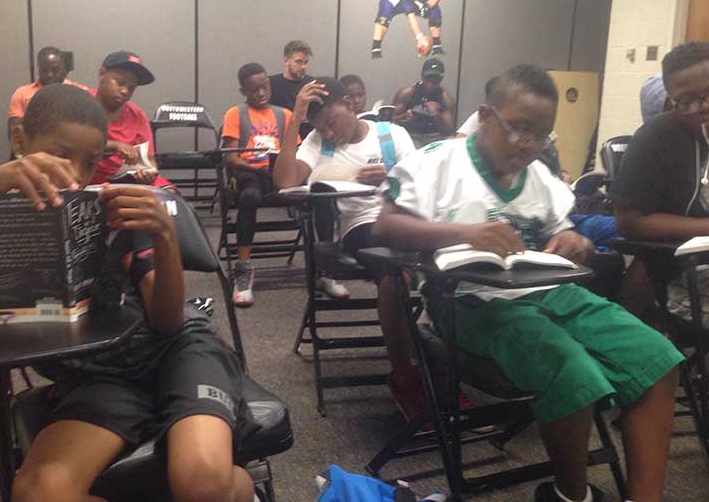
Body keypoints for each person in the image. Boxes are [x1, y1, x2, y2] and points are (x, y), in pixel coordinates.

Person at [375, 64, 681, 502]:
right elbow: (384, 228)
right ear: (485, 116)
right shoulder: (436, 163)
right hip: (468, 303)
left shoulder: (539, 178)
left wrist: (574, 241)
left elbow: (567, 231)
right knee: (572, 370)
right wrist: (463, 233)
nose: (528, 144)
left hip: (553, 293)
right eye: (518, 128)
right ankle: (571, 495)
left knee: (658, 360)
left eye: (540, 135)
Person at [0, 83, 255, 502]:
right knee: (39, 493)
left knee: (202, 483)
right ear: (20, 140)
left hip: (180, 352)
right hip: (97, 376)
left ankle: (244, 492)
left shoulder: (111, 203)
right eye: (59, 154)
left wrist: (164, 236)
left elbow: (166, 322)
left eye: (90, 162)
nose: (74, 174)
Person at [273, 79, 424, 400]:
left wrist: (391, 175)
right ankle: (405, 374)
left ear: (350, 104)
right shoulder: (316, 143)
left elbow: (424, 181)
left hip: (410, 219)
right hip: (362, 226)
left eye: (330, 123)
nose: (329, 133)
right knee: (395, 273)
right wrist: (296, 114)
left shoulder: (391, 135)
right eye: (321, 128)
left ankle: (438, 359)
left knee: (442, 267)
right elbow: (284, 180)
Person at [613, 41, 709, 325]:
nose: (704, 107)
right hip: (679, 268)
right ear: (671, 102)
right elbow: (629, 222)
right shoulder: (655, 138)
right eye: (688, 101)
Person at [221, 63, 298, 307]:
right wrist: (258, 169)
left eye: (265, 87)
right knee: (250, 196)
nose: (262, 93)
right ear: (243, 91)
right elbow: (231, 158)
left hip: (279, 173)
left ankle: (323, 270)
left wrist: (281, 169)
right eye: (254, 89)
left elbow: (297, 150)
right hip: (249, 174)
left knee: (314, 193)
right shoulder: (235, 114)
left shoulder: (284, 115)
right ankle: (243, 269)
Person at [88, 50, 169, 188]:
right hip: (86, 180)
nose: (125, 91)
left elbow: (149, 161)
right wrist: (115, 145)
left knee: (169, 196)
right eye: (120, 83)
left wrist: (147, 173)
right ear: (102, 74)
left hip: (125, 182)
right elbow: (71, 147)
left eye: (131, 88)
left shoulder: (137, 115)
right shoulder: (79, 104)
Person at [7, 46, 86, 137]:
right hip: (35, 147)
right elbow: (14, 132)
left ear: (63, 68)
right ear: (38, 68)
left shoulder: (79, 93)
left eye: (55, 70)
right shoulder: (22, 93)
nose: (49, 74)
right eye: (44, 70)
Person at [393, 58, 456, 146]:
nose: (430, 84)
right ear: (422, 76)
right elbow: (390, 122)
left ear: (441, 79)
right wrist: (405, 116)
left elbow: (448, 131)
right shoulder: (406, 93)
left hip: (435, 137)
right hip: (412, 135)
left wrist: (436, 115)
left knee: (451, 142)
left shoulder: (445, 98)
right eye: (427, 79)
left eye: (434, 81)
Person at [269, 40, 313, 112]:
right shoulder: (271, 84)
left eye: (305, 62)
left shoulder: (312, 85)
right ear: (286, 61)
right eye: (298, 61)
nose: (303, 67)